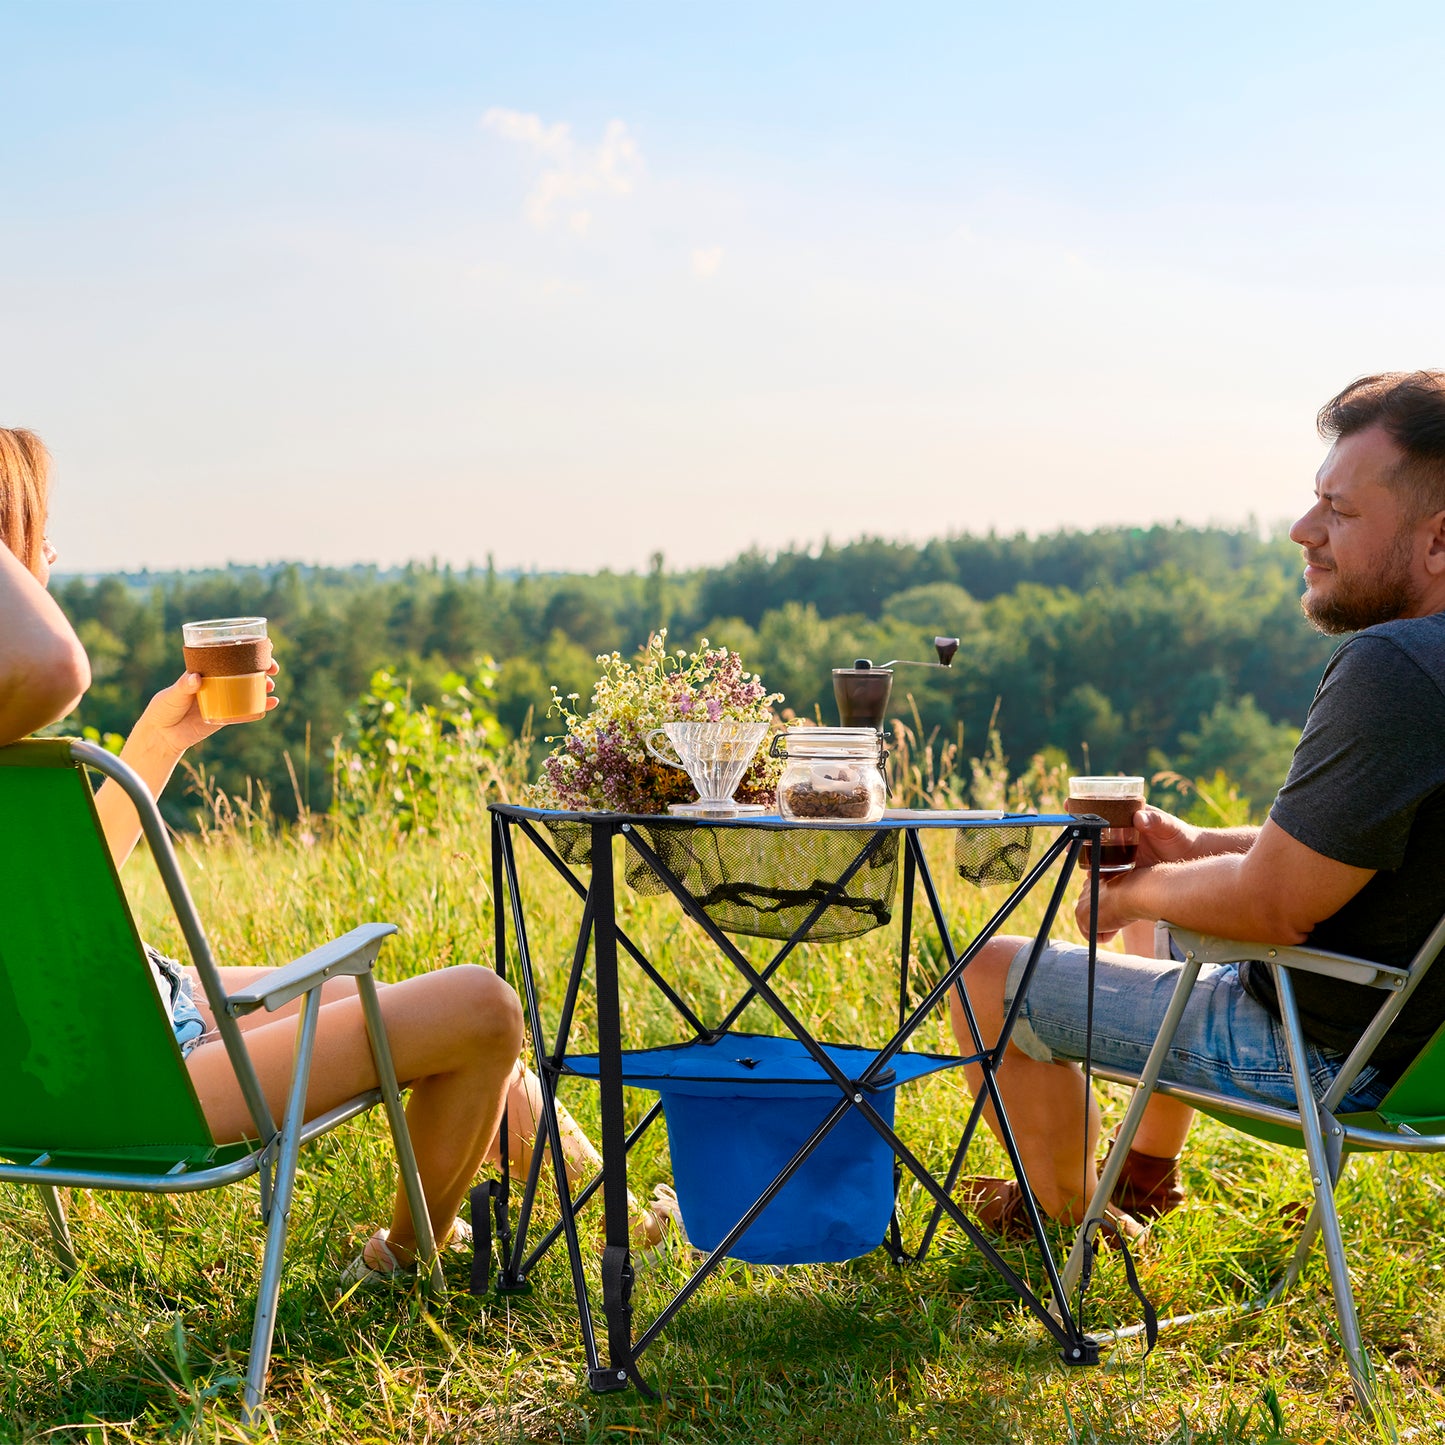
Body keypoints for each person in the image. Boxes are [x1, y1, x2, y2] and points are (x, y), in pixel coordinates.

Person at [0, 427, 678, 1284]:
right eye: (37, 530)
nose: (53, 550)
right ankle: (400, 1259)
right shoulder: (23, 730)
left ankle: (599, 1205)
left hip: (132, 1022)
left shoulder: (14, 770)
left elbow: (55, 907)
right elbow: (53, 662)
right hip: (140, 1076)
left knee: (408, 999)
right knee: (480, 1005)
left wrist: (158, 740)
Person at [948, 371, 1445, 1238]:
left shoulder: (1395, 668)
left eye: (1341, 511)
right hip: (1425, 1053)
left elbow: (1273, 905)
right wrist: (1189, 847)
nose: (1303, 529)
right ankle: (1140, 1178)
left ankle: (1071, 1216)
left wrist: (1131, 892)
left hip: (1337, 1054)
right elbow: (1374, 851)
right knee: (1174, 908)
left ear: (1437, 543)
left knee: (987, 977)